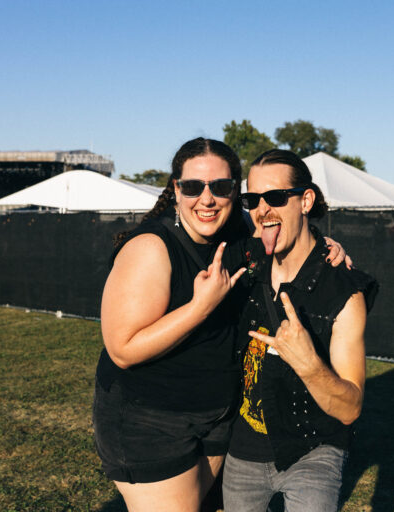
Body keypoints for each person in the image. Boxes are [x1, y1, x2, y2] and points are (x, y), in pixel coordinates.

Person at [92, 138, 349, 512]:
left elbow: (286, 230)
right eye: (194, 187)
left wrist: (326, 244)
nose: (207, 199)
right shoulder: (151, 247)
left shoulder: (237, 232)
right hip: (149, 420)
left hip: (217, 418)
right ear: (176, 189)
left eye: (222, 187)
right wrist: (200, 307)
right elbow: (123, 349)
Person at [222, 149, 378, 512]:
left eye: (276, 197)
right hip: (243, 452)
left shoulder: (342, 292)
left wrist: (308, 363)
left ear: (305, 200)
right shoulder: (243, 263)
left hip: (314, 452)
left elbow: (351, 408)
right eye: (252, 199)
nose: (263, 209)